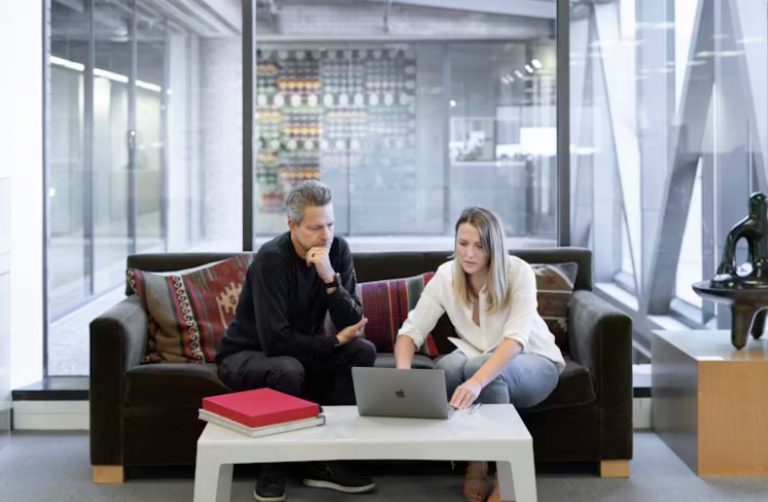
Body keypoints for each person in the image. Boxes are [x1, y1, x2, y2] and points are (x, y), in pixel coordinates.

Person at [216, 180, 377, 502]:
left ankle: (326, 460)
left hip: (298, 351)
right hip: (247, 353)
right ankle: (271, 469)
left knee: (362, 351)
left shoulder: (337, 250)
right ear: (292, 225)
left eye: (330, 224)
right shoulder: (272, 260)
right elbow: (275, 342)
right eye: (316, 227)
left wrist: (330, 280)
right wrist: (331, 344)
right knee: (287, 369)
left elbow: (352, 322)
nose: (326, 235)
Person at [393, 207, 564, 502]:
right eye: (463, 244)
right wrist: (403, 376)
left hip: (536, 359)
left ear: (493, 246)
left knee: (481, 368)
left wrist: (477, 382)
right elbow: (411, 331)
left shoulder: (517, 271)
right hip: (477, 354)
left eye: (479, 245)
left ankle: (505, 473)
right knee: (445, 367)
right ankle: (477, 458)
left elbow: (515, 340)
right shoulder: (447, 275)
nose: (469, 253)